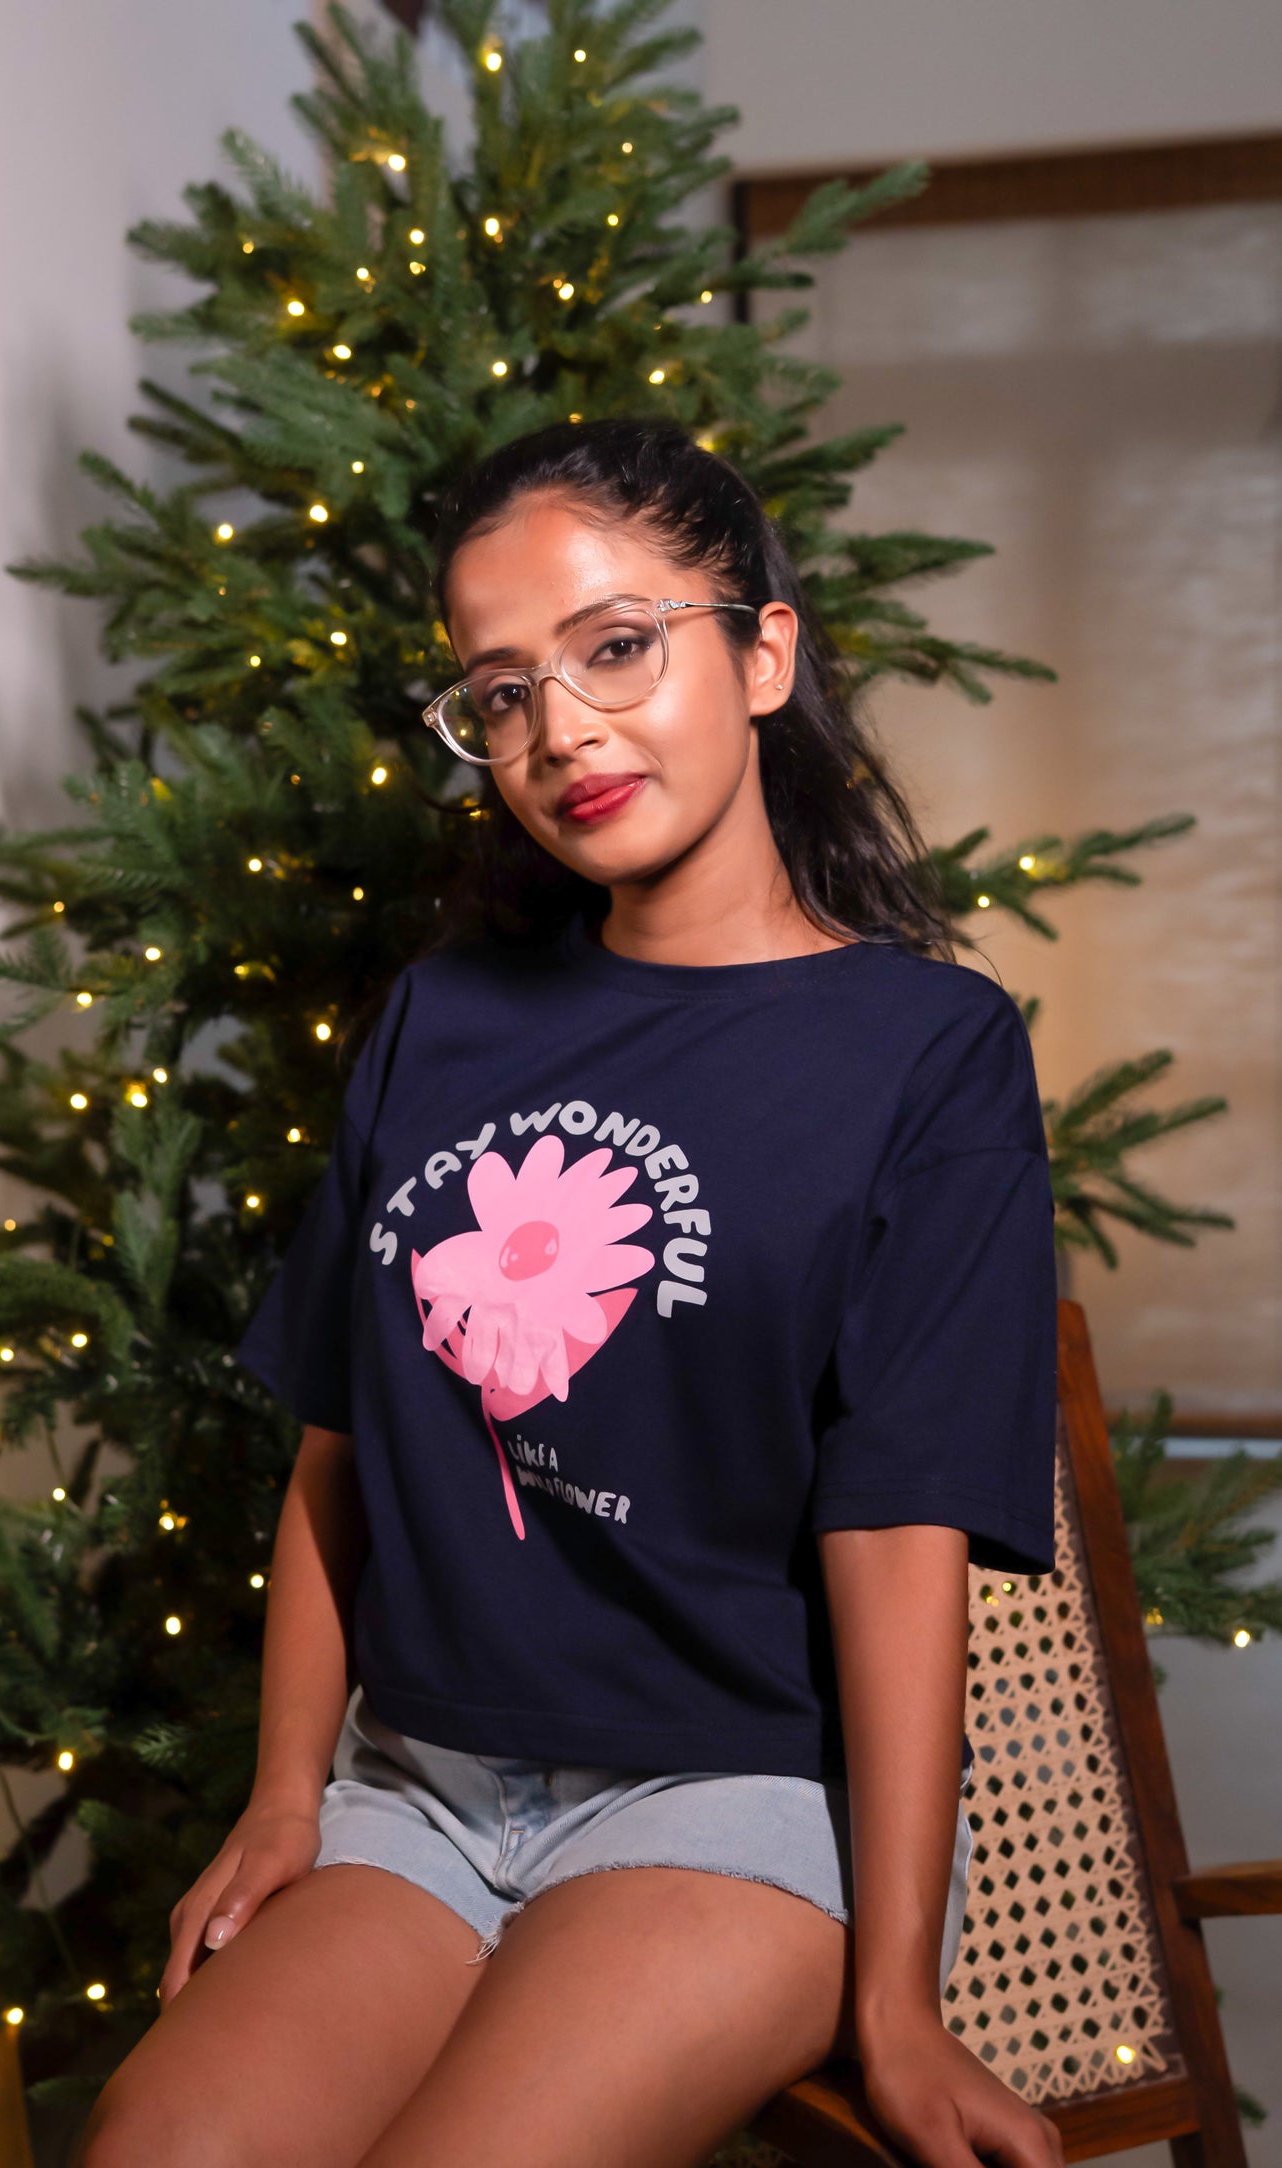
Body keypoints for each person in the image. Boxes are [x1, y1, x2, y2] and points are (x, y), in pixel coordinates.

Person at [78, 417, 1063, 2168]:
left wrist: (897, 1998)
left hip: (730, 1795)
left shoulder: (928, 1049)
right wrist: (287, 1792)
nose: (562, 730)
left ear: (762, 651)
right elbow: (339, 1449)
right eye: (501, 690)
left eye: (617, 646)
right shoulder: (440, 1022)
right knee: (163, 2147)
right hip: (417, 1792)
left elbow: (898, 1526)